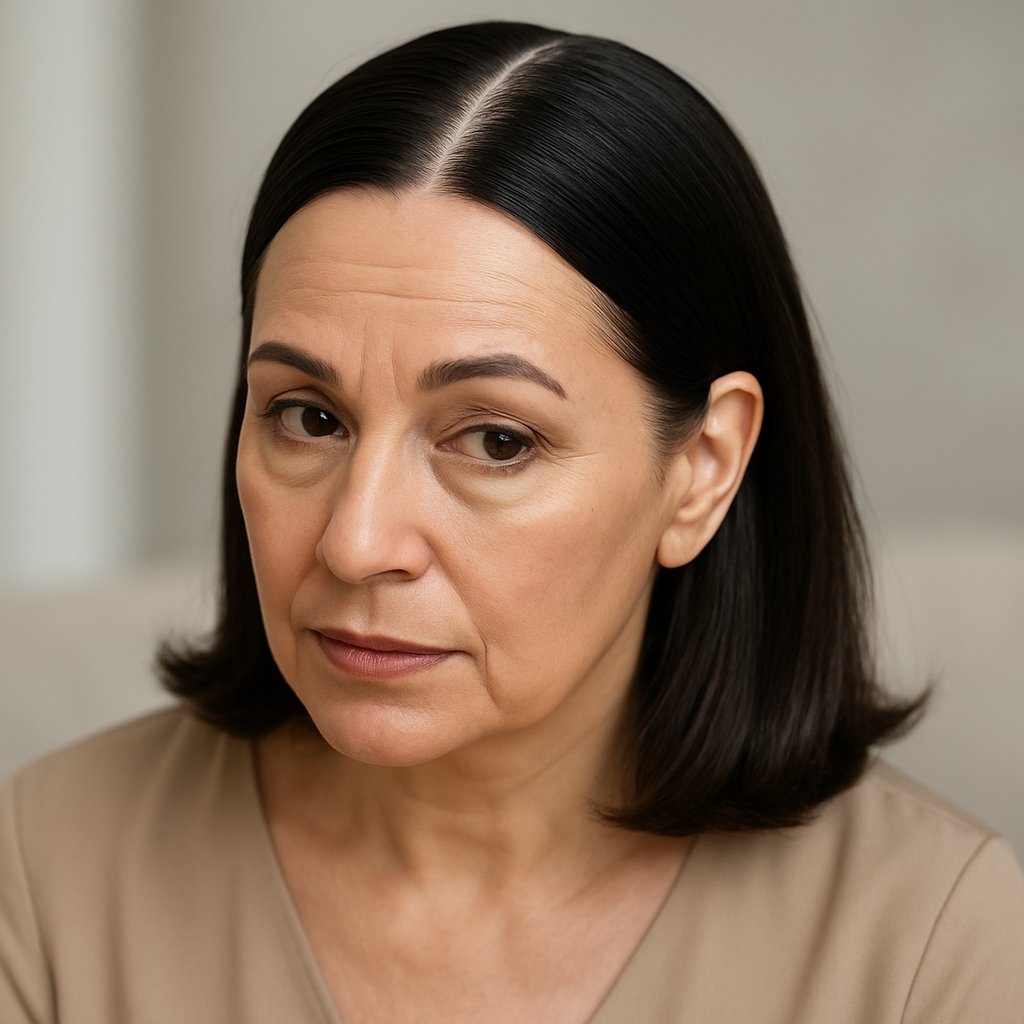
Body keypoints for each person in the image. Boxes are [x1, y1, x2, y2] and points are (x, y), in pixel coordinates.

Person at [1, 20, 1022, 1023]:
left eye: (494, 440)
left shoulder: (933, 951)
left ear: (702, 468)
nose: (355, 542)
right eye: (310, 417)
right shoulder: (44, 880)